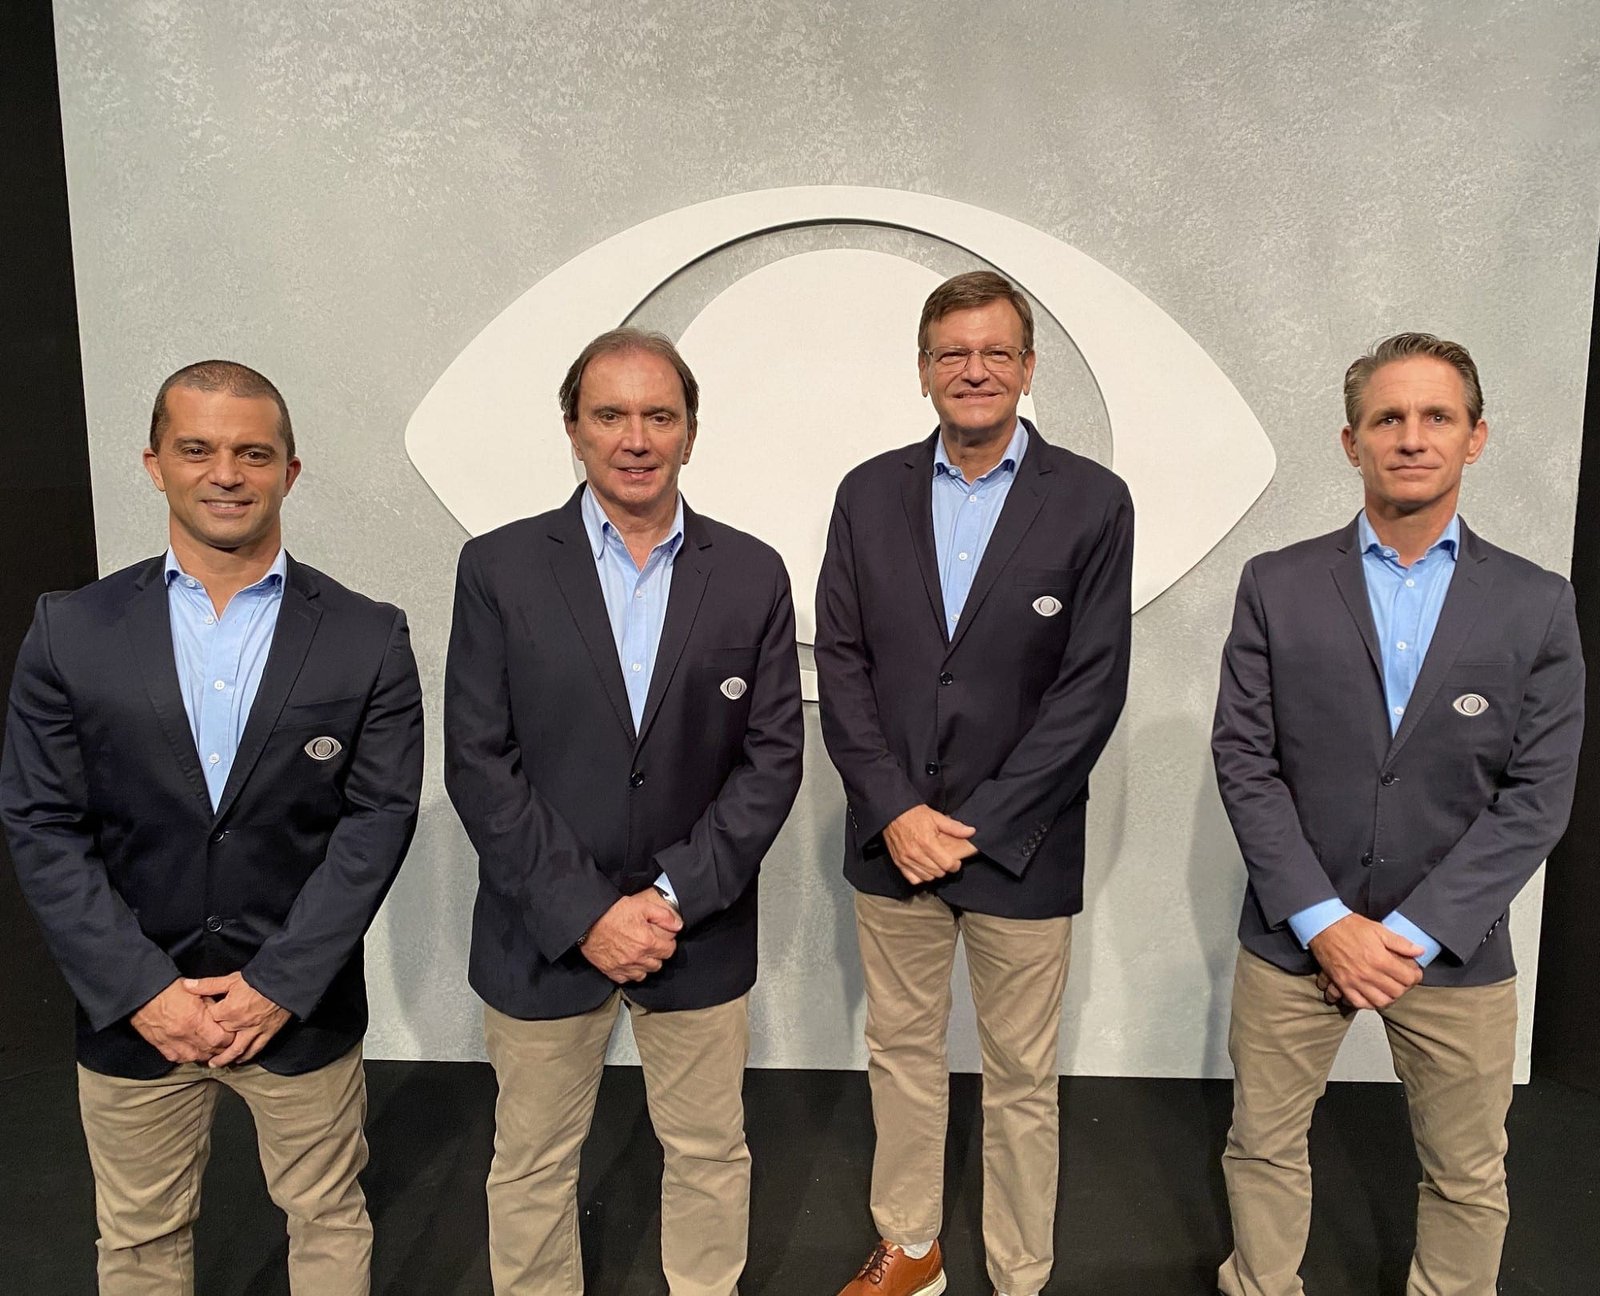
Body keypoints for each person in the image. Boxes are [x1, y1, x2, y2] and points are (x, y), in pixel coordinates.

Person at [1, 360, 424, 1294]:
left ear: (290, 472)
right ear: (154, 464)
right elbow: (41, 821)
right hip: (133, 1013)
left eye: (252, 454)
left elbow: (376, 821)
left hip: (299, 1009)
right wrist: (140, 989)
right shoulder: (71, 629)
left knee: (327, 1219)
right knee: (139, 1241)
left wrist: (278, 984)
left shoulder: (367, 635)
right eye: (197, 449)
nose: (226, 473)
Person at [1211, 332, 1584, 1295]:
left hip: (1454, 950)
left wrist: (1411, 934)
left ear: (1475, 437)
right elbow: (1245, 763)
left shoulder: (1538, 603)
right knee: (1262, 1148)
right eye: (1388, 418)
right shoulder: (1277, 583)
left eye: (1436, 417)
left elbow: (1538, 797)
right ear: (1352, 442)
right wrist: (1326, 923)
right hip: (1297, 940)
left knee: (1467, 1177)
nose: (1411, 437)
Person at [444, 327, 804, 1296]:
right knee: (530, 1164)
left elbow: (772, 761)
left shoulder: (753, 574)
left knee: (710, 1154)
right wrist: (588, 912)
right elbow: (478, 762)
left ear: (691, 432)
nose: (635, 439)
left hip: (696, 930)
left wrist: (671, 898)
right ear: (572, 429)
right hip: (542, 933)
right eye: (609, 415)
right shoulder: (498, 569)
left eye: (658, 416)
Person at [814, 271, 1134, 1296]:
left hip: (1022, 847)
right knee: (901, 1053)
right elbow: (842, 665)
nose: (975, 370)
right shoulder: (867, 493)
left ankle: (1019, 1272)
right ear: (922, 371)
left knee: (1022, 1077)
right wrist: (897, 812)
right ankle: (910, 1248)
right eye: (952, 352)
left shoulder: (1092, 501)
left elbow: (1090, 689)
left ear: (1029, 369)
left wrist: (977, 825)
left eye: (996, 352)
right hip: (892, 842)